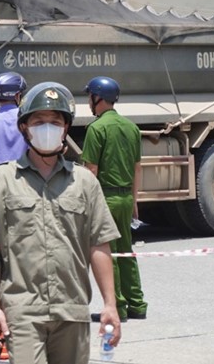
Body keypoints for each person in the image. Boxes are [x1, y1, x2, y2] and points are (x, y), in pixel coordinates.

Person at [0, 82, 122, 364]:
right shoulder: (0, 181)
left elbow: (99, 245)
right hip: (22, 312)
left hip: (73, 311)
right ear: (24, 128)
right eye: (38, 121)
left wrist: (110, 304)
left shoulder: (84, 182)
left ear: (65, 128)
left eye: (55, 121)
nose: (47, 127)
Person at [82, 76, 148, 322]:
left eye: (90, 96)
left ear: (98, 98)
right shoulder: (131, 127)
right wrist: (134, 200)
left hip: (105, 198)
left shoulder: (96, 129)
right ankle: (137, 304)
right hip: (125, 198)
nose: (88, 101)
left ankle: (118, 306)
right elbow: (137, 167)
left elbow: (90, 172)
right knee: (126, 252)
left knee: (109, 253)